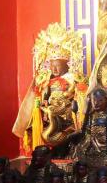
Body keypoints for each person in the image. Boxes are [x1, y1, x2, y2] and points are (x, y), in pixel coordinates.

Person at [12, 23, 87, 153]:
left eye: (57, 66)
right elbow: (42, 96)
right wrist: (41, 100)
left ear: (66, 65)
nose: (54, 69)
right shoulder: (46, 80)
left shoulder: (73, 78)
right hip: (50, 114)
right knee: (47, 131)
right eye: (52, 66)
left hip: (67, 114)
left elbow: (81, 97)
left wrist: (77, 93)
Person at [70, 88, 107, 170]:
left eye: (100, 100)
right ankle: (82, 170)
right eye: (94, 100)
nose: (96, 103)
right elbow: (87, 130)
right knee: (78, 147)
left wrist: (100, 142)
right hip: (91, 142)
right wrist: (90, 139)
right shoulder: (91, 114)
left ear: (106, 100)